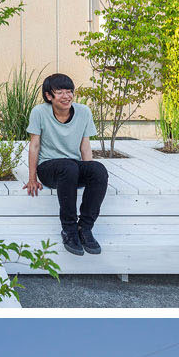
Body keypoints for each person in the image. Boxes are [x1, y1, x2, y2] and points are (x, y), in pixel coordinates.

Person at [24, 73, 109, 258]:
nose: (66, 96)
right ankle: (69, 230)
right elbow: (35, 145)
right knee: (68, 167)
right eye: (60, 92)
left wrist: (89, 173)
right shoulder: (39, 112)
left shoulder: (84, 112)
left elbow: (85, 145)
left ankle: (84, 228)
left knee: (98, 170)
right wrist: (32, 178)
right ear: (49, 96)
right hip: (49, 167)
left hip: (74, 168)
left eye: (69, 91)